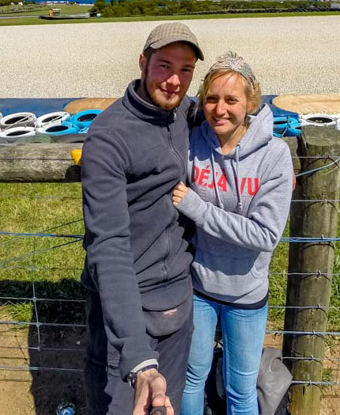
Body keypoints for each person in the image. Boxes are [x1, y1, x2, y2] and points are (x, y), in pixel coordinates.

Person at [81, 22, 205, 415]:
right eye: (164, 65)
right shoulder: (108, 137)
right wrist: (137, 358)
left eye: (186, 70)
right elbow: (109, 245)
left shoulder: (185, 112)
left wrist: (268, 151)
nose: (174, 81)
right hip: (126, 311)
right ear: (142, 62)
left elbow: (235, 106)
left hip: (179, 301)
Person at [172, 52, 293, 415]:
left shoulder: (274, 155)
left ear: (251, 103)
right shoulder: (192, 143)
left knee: (241, 388)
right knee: (192, 377)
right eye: (211, 98)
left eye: (231, 100)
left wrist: (197, 207)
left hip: (247, 294)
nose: (219, 109)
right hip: (198, 288)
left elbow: (265, 235)